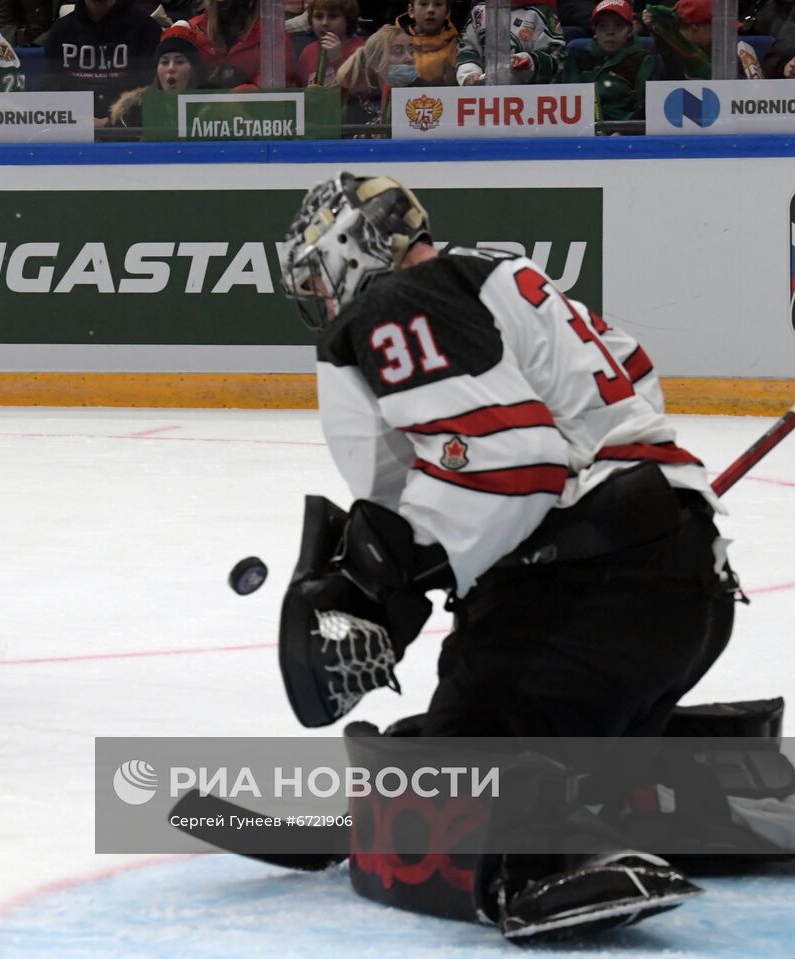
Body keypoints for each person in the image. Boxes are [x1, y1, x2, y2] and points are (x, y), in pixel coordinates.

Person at [275, 172, 739, 939]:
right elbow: (635, 385)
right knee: (502, 722)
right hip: (687, 581)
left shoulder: (401, 301)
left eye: (323, 276)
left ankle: (542, 857)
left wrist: (395, 564)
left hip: (591, 599)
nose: (326, 300)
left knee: (459, 768)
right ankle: (704, 789)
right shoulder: (500, 276)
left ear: (356, 248)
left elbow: (514, 465)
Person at [42, 0, 160, 122]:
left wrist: (110, 122)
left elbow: (150, 88)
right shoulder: (60, 31)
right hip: (73, 127)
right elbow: (52, 89)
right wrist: (80, 122)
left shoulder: (146, 29)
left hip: (129, 128)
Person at [564, 0, 656, 123]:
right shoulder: (579, 55)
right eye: (603, 26)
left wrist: (622, 131)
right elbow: (571, 101)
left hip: (628, 131)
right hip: (585, 130)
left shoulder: (642, 57)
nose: (610, 32)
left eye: (618, 25)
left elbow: (645, 106)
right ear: (594, 31)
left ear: (629, 31)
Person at [107, 22, 206, 127]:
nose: (171, 68)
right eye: (164, 62)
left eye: (179, 62)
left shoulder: (210, 111)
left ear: (193, 70)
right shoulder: (134, 112)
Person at [188, 0, 299, 87]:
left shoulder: (273, 34)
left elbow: (275, 87)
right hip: (201, 112)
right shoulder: (193, 29)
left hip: (255, 113)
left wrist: (235, 95)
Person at [457, 0, 566, 84]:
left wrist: (529, 61)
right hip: (484, 97)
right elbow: (467, 50)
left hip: (533, 96)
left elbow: (557, 54)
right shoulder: (479, 11)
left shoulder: (541, 11)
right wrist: (469, 74)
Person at [333, 22, 408, 129]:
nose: (409, 58)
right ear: (376, 61)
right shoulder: (355, 106)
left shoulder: (419, 91)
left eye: (410, 50)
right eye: (398, 52)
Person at [292, 0, 365, 87]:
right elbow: (300, 90)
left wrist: (337, 59)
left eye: (333, 16)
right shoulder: (308, 52)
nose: (325, 23)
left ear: (348, 20)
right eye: (318, 17)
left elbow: (363, 91)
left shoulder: (362, 50)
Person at [391, 0, 457, 86]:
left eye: (438, 4)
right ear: (411, 11)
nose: (431, 10)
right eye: (423, 4)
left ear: (447, 12)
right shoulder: (388, 43)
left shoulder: (460, 46)